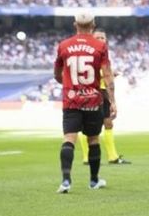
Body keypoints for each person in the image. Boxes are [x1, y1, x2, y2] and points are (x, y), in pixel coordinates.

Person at [54, 12, 115, 193]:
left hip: (71, 100)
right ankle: (94, 181)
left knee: (69, 139)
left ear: (75, 25)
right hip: (93, 100)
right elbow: (107, 75)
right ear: (93, 25)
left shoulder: (64, 45)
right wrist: (112, 100)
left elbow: (57, 73)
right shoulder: (100, 46)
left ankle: (66, 181)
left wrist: (67, 84)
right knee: (93, 139)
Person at [79, 29, 130, 165]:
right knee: (87, 126)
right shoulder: (87, 54)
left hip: (103, 92)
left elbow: (107, 78)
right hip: (90, 92)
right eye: (98, 37)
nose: (101, 40)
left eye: (103, 38)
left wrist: (113, 101)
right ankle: (86, 157)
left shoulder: (105, 55)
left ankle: (113, 157)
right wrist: (108, 74)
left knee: (108, 123)